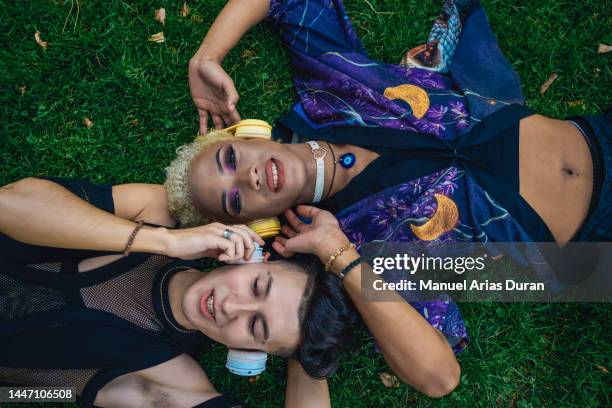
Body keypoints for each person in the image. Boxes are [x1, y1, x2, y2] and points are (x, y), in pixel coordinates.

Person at [0, 178, 357, 408]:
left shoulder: (170, 379)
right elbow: (10, 203)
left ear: (248, 355)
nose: (233, 305)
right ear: (251, 256)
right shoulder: (154, 214)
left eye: (256, 328)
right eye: (257, 285)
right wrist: (165, 241)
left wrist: (312, 355)